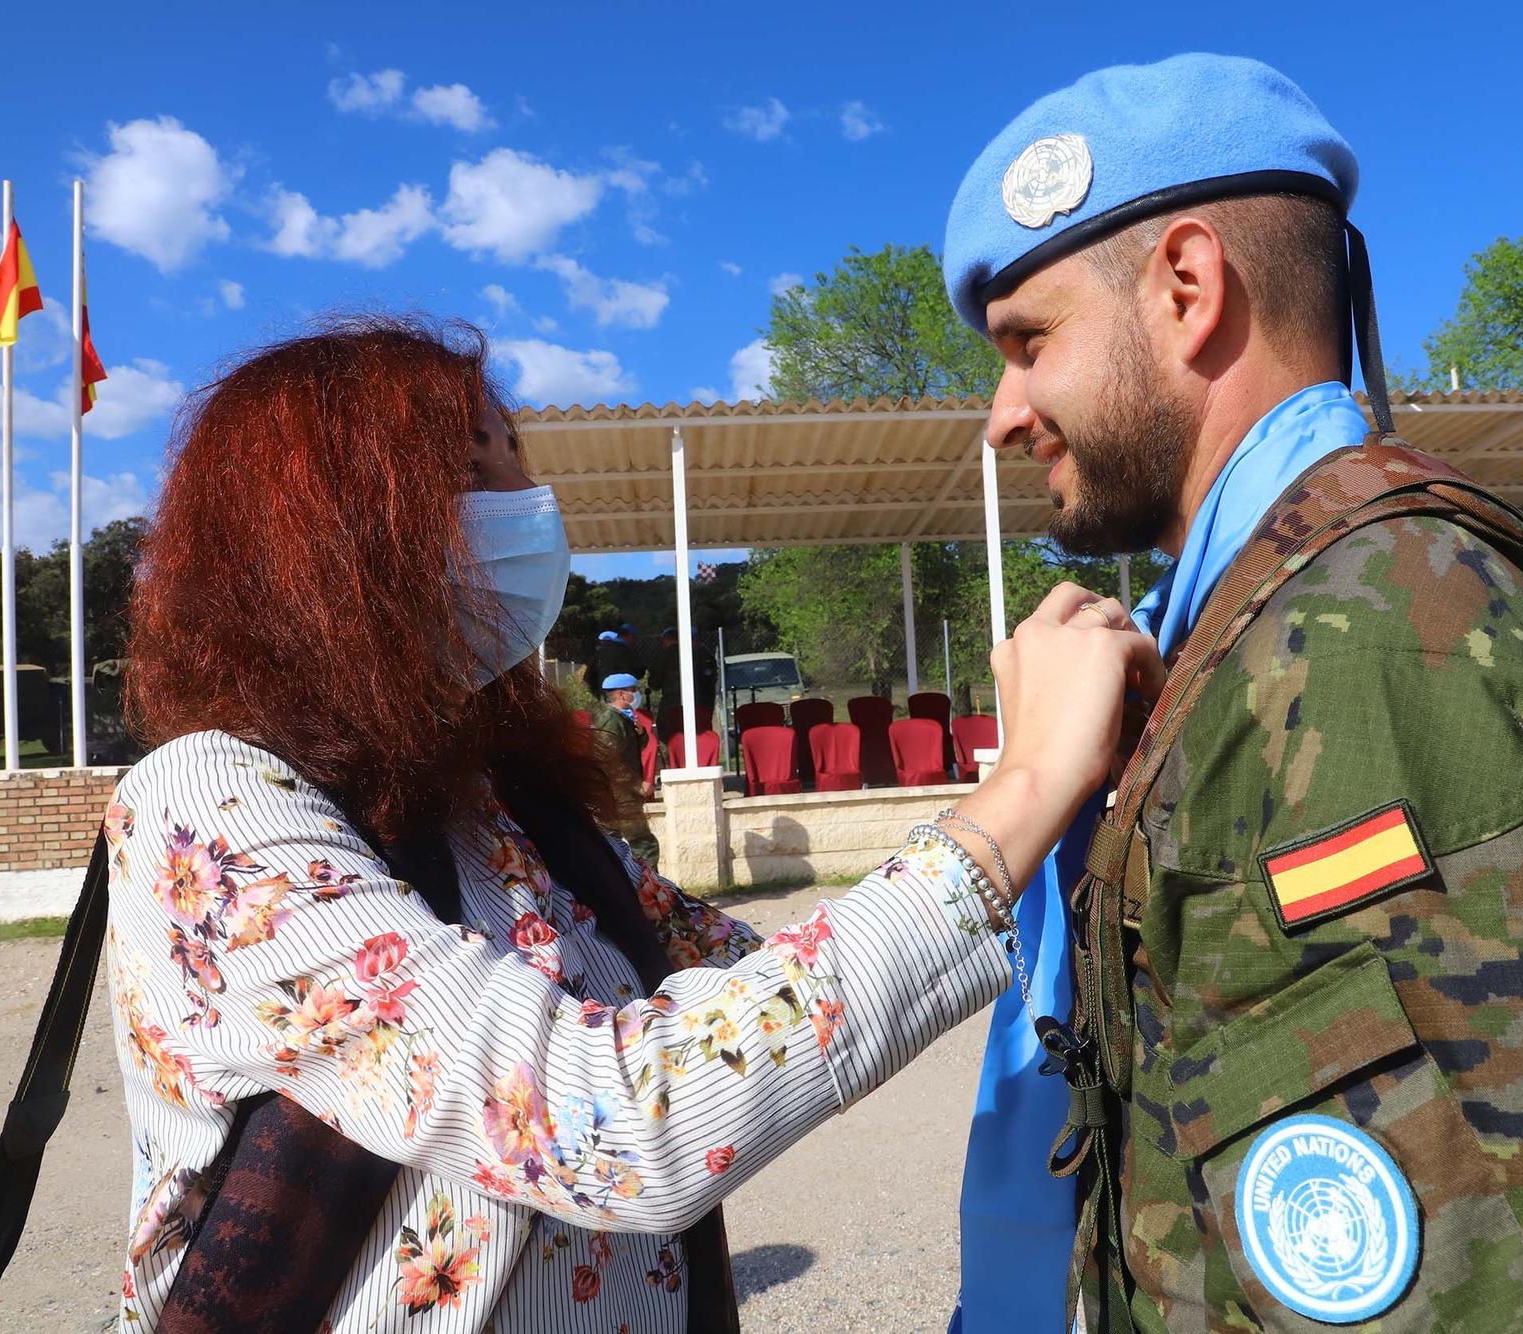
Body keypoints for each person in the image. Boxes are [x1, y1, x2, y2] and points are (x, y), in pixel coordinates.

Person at [104, 316, 1160, 1330]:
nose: (530, 497)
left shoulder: (498, 808)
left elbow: (769, 984)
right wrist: (1022, 784)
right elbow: (615, 1114)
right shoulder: (211, 800)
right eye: (481, 468)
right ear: (340, 533)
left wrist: (1068, 820)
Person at [943, 55, 1523, 1330]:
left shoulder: (1355, 645)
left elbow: (1463, 1285)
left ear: (1188, 290)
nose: (1000, 414)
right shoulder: (1265, 620)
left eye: (1028, 343)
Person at [590, 670, 659, 864]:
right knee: (644, 846)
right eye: (633, 690)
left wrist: (638, 731)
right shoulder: (611, 720)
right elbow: (608, 760)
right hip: (620, 793)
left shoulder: (622, 718)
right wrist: (636, 785)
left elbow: (640, 745)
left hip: (618, 793)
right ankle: (649, 890)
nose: (636, 695)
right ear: (621, 694)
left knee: (613, 844)